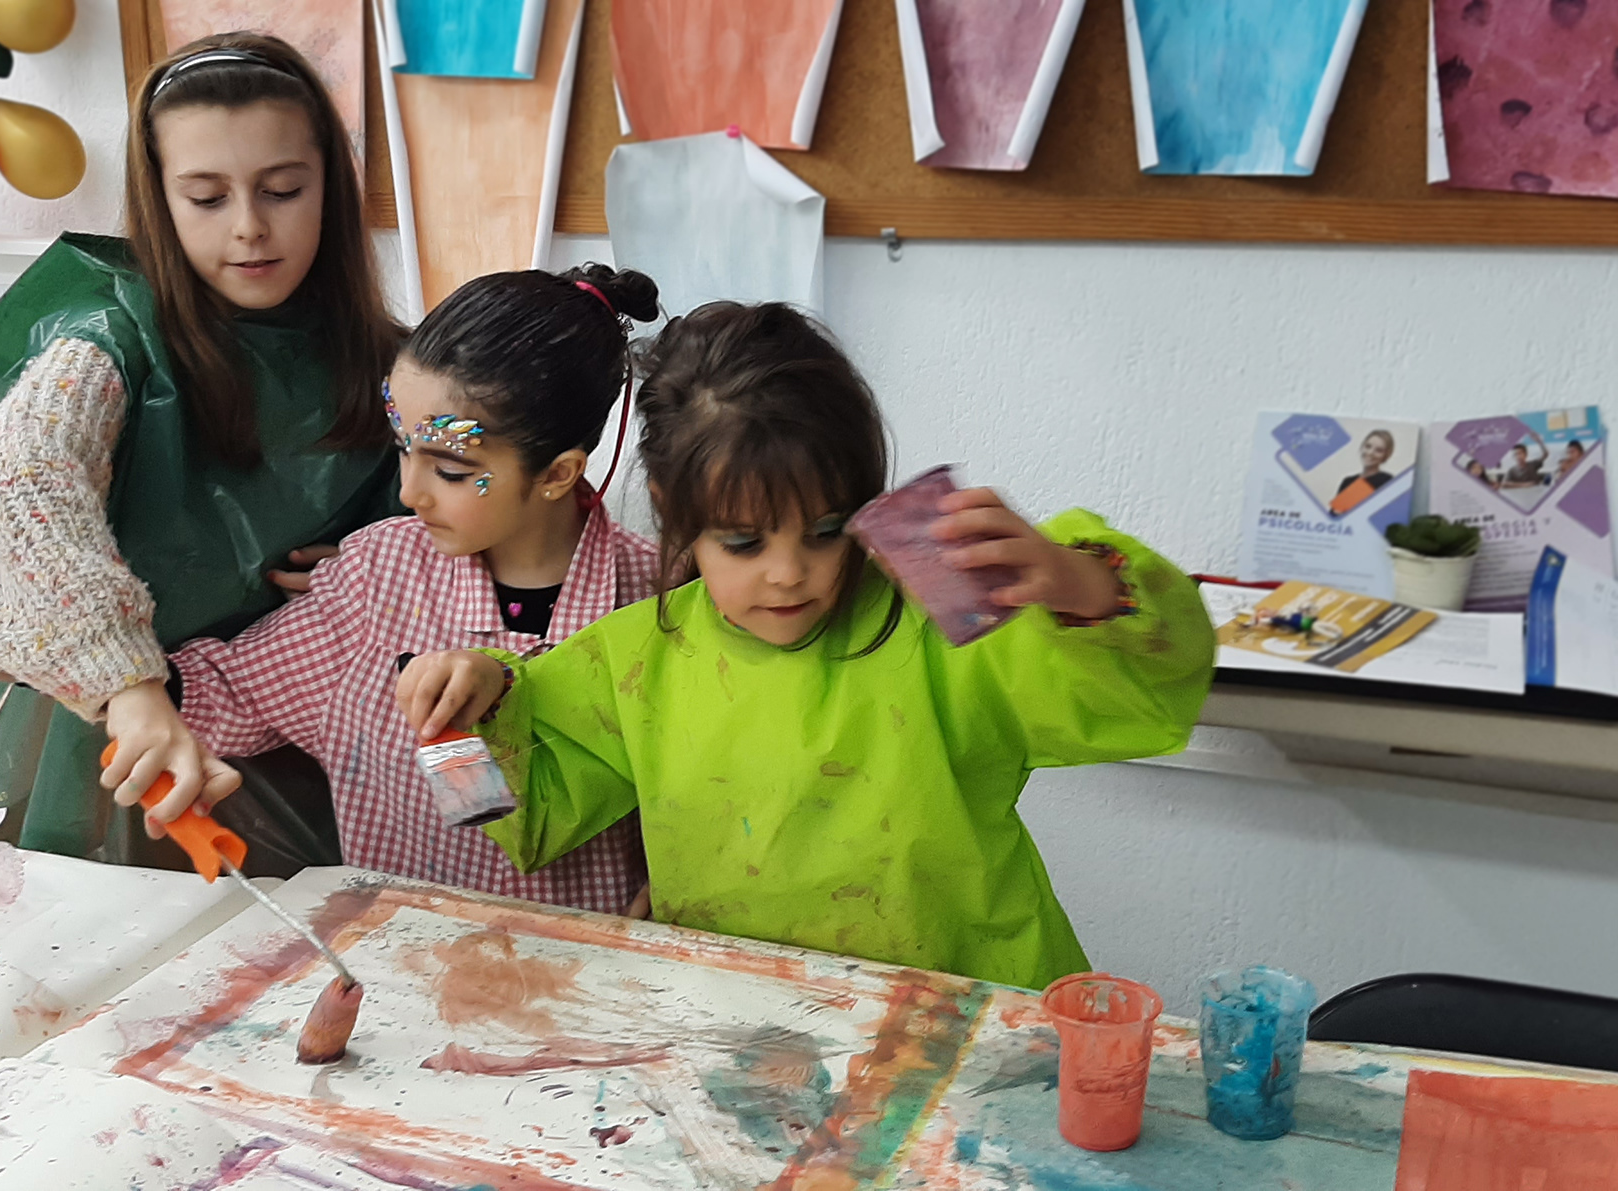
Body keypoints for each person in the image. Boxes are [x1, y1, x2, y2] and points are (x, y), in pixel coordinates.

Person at [396, 302, 1215, 988]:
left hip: (973, 1017)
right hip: (753, 1033)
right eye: (744, 542)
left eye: (826, 531)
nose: (790, 575)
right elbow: (524, 814)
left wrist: (1083, 586)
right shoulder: (637, 655)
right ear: (671, 507)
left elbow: (1147, 699)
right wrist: (475, 702)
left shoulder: (939, 617)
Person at [0, 32, 403, 870]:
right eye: (207, 198)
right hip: (110, 745)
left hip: (291, 744)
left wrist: (374, 568)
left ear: (330, 185)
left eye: (284, 190)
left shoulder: (392, 360)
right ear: (159, 201)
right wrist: (126, 683)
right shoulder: (105, 339)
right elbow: (25, 481)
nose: (252, 229)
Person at [160, 266, 661, 914]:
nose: (408, 492)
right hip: (397, 975)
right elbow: (228, 692)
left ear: (558, 473)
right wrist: (85, 663)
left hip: (593, 990)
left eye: (451, 469)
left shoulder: (658, 606)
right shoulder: (381, 578)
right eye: (403, 447)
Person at [1330, 429, 1394, 516]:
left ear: (1386, 455)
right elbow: (1333, 515)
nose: (1370, 452)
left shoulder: (1387, 481)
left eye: (1378, 450)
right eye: (1368, 446)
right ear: (1362, 447)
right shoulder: (1347, 481)